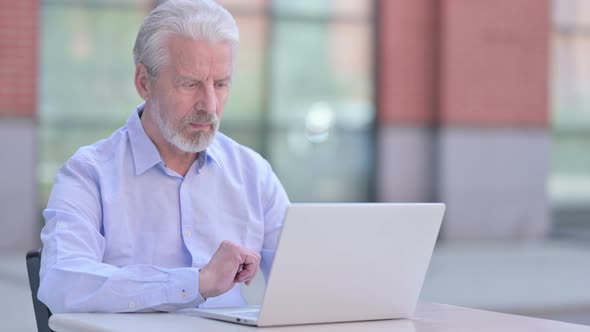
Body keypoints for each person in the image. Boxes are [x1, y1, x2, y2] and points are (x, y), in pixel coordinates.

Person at [38, 0, 289, 313]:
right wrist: (196, 282)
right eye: (189, 84)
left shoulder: (254, 173)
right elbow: (63, 282)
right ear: (144, 82)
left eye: (221, 84)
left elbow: (307, 278)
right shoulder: (88, 174)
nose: (209, 105)